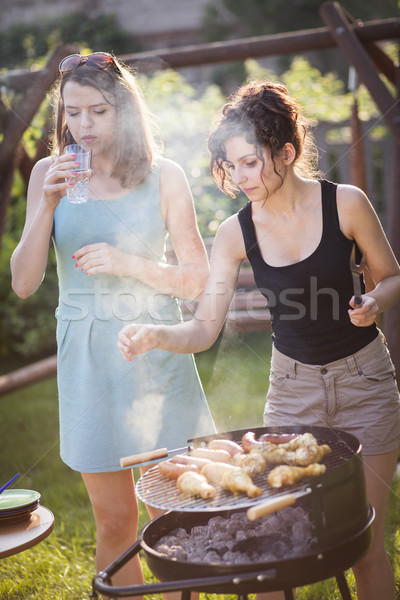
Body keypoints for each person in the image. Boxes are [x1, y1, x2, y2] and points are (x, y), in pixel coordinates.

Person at [118, 80, 400, 600]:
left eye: (250, 162)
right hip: (293, 394)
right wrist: (159, 333)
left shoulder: (346, 204)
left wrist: (376, 301)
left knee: (365, 544)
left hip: (365, 384)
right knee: (275, 544)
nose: (239, 176)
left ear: (286, 153)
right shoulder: (234, 233)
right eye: (230, 164)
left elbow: (391, 276)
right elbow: (205, 329)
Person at [10, 51, 216, 596]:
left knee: (171, 515)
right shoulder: (47, 176)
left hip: (155, 351)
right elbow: (24, 283)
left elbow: (197, 280)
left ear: (124, 109)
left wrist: (131, 264)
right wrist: (45, 208)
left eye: (97, 112)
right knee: (114, 523)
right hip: (87, 362)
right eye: (72, 114)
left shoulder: (164, 176)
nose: (83, 127)